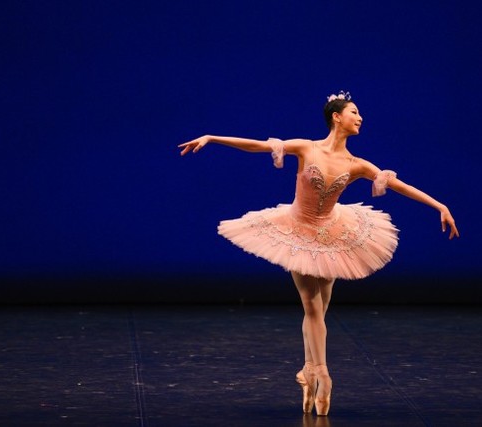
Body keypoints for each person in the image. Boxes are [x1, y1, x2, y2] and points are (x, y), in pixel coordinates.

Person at [178, 91, 460, 417]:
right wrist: (212, 137)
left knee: (320, 309)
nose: (360, 118)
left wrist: (439, 205)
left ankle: (307, 371)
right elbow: (258, 146)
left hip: (332, 233)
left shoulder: (357, 165)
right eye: (354, 112)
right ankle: (323, 375)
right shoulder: (306, 147)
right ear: (336, 117)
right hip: (297, 231)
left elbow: (401, 186)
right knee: (312, 306)